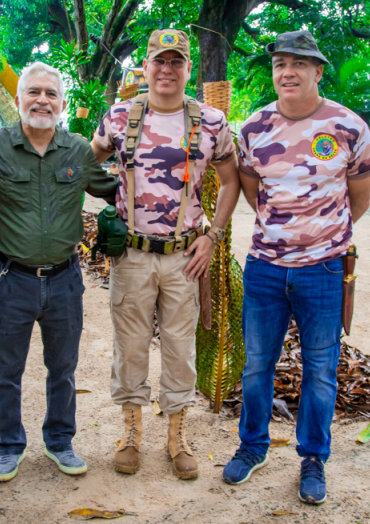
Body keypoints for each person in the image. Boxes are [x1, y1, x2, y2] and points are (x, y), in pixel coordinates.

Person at [223, 30, 370, 505]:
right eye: (279, 65)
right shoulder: (253, 128)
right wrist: (285, 232)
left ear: (317, 71)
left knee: (321, 370)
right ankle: (252, 446)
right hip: (265, 268)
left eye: (298, 64)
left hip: (324, 271)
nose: (287, 72)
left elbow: (359, 199)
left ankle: (313, 458)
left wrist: (319, 237)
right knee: (256, 365)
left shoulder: (348, 126)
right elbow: (254, 193)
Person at [0, 62, 118, 482]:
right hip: (11, 279)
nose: (42, 100)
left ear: (62, 103)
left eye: (51, 94)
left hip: (65, 280)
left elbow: (114, 191)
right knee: (7, 370)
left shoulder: (78, 150)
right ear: (18, 99)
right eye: (34, 92)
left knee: (63, 368)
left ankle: (60, 441)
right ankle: (10, 446)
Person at [90, 29, 241, 480]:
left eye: (177, 61)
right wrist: (107, 207)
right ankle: (131, 432)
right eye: (159, 60)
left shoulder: (211, 122)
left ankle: (177, 436)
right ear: (146, 66)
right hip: (132, 256)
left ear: (188, 68)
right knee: (130, 345)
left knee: (180, 347)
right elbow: (82, 163)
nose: (167, 69)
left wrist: (213, 236)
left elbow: (231, 181)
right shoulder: (119, 117)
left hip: (183, 257)